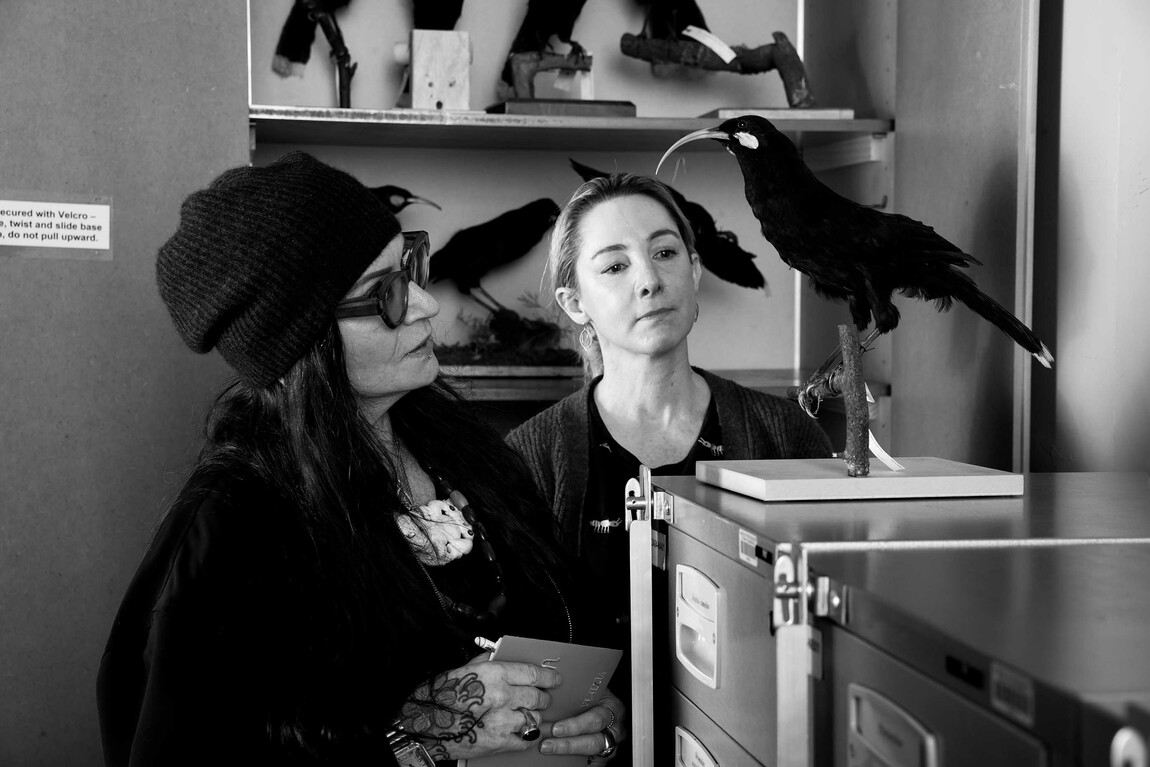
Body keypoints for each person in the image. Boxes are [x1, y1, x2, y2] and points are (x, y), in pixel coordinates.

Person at [96, 151, 625, 766]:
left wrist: (597, 716)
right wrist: (410, 736)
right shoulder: (234, 528)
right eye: (387, 296)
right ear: (305, 344)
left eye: (412, 267)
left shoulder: (467, 451)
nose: (427, 304)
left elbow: (568, 611)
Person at [506, 173, 833, 756]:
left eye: (664, 252)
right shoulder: (531, 459)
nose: (650, 281)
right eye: (614, 267)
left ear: (695, 269)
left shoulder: (785, 435)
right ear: (574, 303)